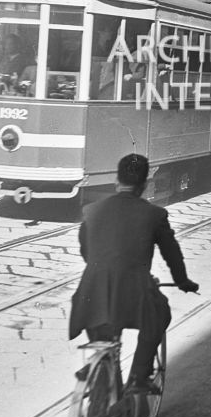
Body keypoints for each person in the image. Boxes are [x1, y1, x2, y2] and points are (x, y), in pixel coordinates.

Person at [68, 154, 199, 393]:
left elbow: (86, 250)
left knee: (104, 333)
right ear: (144, 185)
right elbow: (172, 253)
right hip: (134, 292)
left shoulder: (92, 210)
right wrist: (182, 281)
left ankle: (98, 377)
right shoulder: (154, 215)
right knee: (160, 313)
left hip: (91, 294)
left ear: (117, 180)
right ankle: (139, 376)